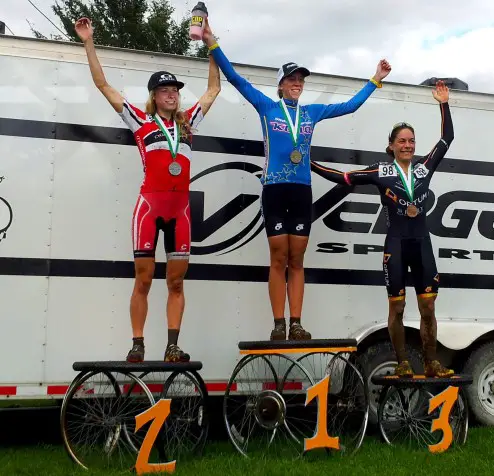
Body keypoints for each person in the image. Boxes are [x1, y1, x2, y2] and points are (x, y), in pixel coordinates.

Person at [201, 20, 391, 341]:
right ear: (280, 85)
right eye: (291, 78)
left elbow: (350, 106)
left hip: (302, 191)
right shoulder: (266, 107)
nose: (297, 82)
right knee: (278, 257)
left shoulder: (311, 112)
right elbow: (233, 78)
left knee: (297, 259)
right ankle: (278, 324)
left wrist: (375, 79)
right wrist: (211, 42)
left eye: (301, 78)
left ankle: (297, 324)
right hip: (275, 190)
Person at [74, 17, 221, 362]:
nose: (172, 95)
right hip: (149, 209)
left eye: (176, 91)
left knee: (176, 283)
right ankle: (137, 343)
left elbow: (214, 90)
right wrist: (88, 41)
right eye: (165, 91)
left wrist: (212, 46)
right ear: (154, 96)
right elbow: (103, 85)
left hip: (180, 211)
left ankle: (172, 346)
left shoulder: (189, 124)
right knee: (143, 280)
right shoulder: (140, 121)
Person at [310, 80, 455, 378]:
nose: (408, 145)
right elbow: (344, 178)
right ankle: (402, 362)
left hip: (421, 242)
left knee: (428, 308)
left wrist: (443, 103)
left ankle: (431, 363)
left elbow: (447, 137)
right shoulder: (381, 170)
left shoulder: (424, 168)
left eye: (412, 140)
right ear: (391, 146)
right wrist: (308, 163)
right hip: (396, 244)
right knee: (398, 308)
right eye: (402, 141)